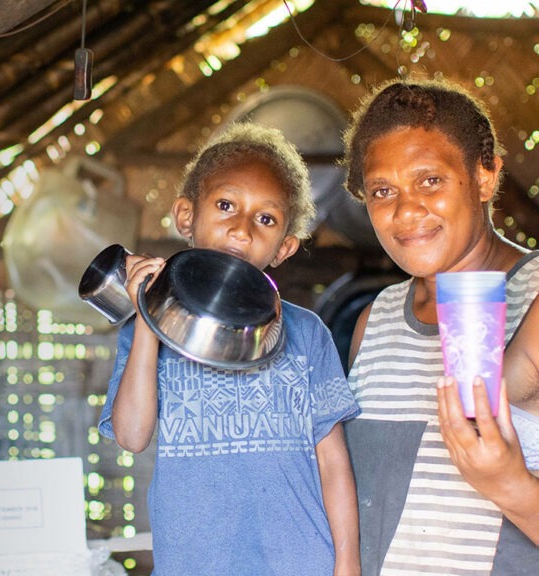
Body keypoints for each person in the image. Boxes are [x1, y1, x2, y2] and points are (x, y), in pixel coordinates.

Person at [97, 122, 362, 575]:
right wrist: (146, 321)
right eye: (225, 206)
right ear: (186, 217)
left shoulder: (306, 333)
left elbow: (333, 462)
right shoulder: (147, 334)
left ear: (284, 247)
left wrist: (348, 564)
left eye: (266, 219)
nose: (242, 230)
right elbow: (132, 436)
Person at [341, 76, 539, 575]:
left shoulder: (536, 298)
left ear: (485, 176)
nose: (406, 209)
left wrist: (510, 486)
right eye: (382, 191)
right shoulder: (375, 318)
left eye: (430, 180)